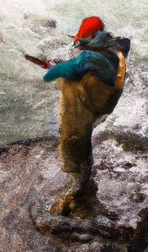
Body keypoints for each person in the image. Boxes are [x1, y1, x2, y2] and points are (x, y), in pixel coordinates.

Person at [43, 16, 131, 216]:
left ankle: (77, 197)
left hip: (86, 107)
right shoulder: (115, 49)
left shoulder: (89, 58)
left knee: (74, 143)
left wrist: (53, 69)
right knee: (84, 139)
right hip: (103, 105)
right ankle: (82, 187)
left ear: (90, 36)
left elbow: (53, 74)